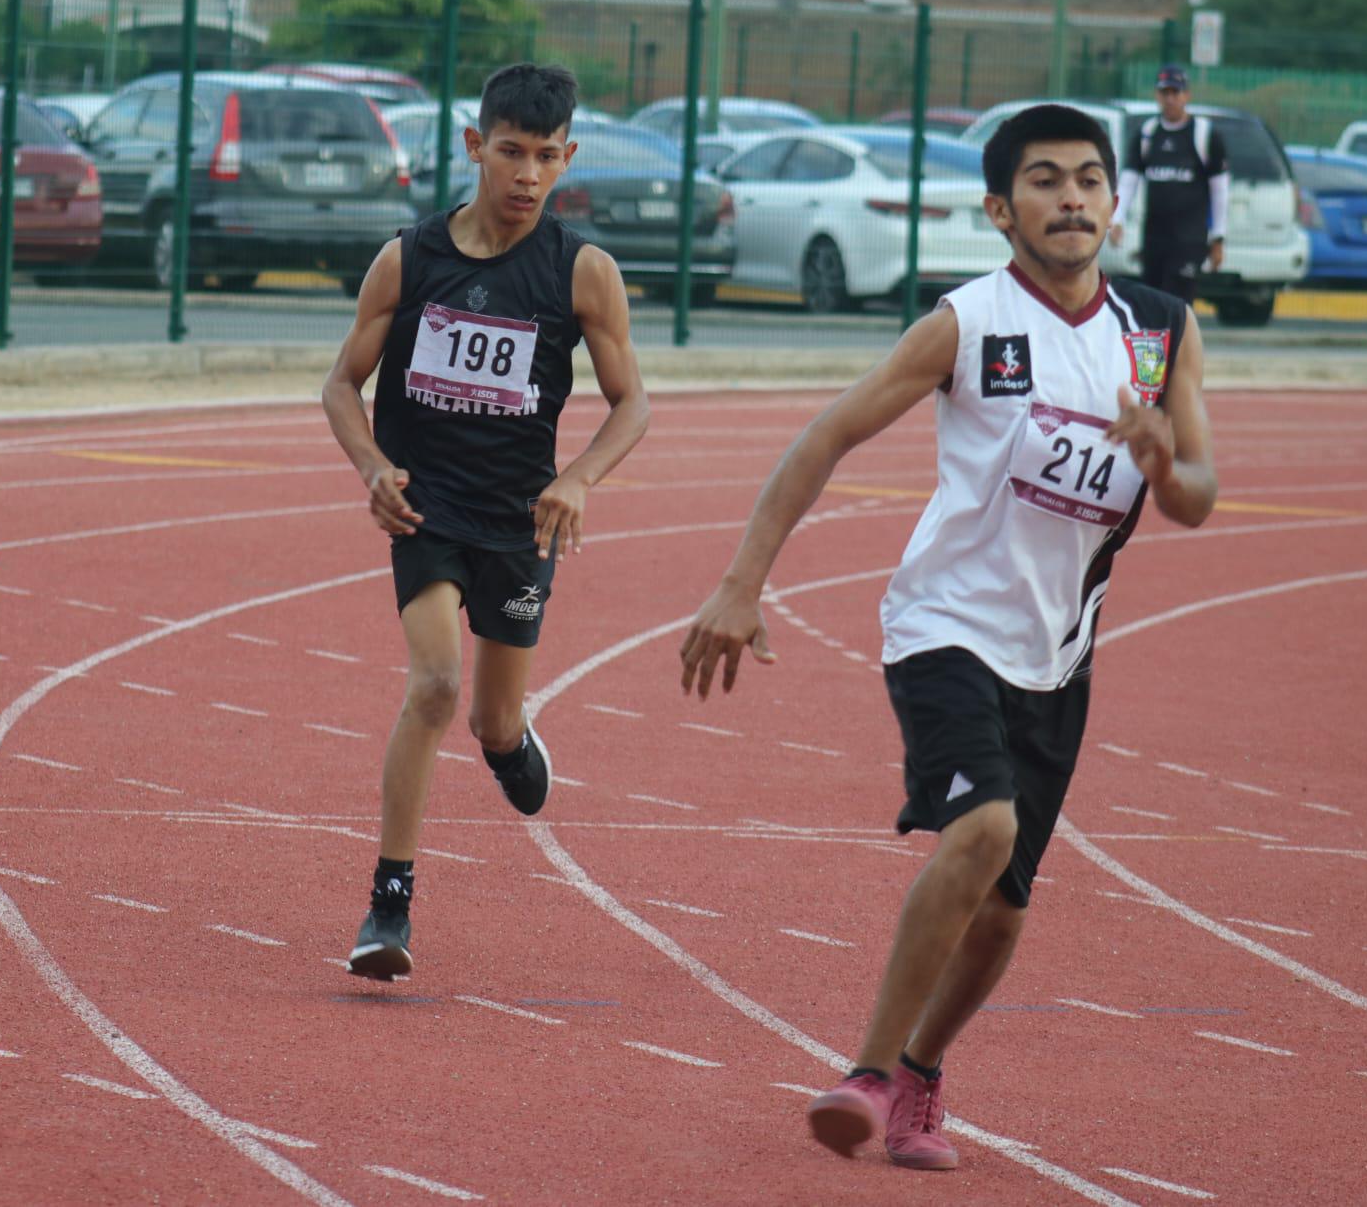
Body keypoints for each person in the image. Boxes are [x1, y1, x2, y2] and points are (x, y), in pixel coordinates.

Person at [678, 104, 1217, 1171]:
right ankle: (871, 1072)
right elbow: (824, 435)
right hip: (943, 627)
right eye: (1045, 180)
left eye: (1089, 181)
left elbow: (1199, 494)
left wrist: (1161, 462)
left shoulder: (1159, 329)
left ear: (1115, 201)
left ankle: (921, 1070)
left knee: (1003, 919)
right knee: (979, 834)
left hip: (1057, 655)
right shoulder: (966, 323)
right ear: (997, 207)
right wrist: (742, 585)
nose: (1071, 198)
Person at [322, 63, 650, 981]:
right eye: (511, 152)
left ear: (568, 156)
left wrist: (580, 477)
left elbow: (632, 405)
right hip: (426, 506)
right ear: (475, 147)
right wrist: (373, 466)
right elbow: (342, 383)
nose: (527, 175)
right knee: (432, 683)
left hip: (521, 519)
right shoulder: (410, 257)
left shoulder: (583, 272)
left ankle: (507, 740)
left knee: (490, 716)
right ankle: (390, 902)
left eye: (547, 157)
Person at [1109, 63, 1230, 305]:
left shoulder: (1203, 134)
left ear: (1186, 95)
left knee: (1178, 305)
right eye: (1165, 93)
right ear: (1157, 95)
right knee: (1152, 305)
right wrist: (1117, 218)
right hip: (1154, 239)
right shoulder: (1148, 133)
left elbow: (1220, 190)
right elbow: (1129, 181)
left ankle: (1180, 345)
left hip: (1189, 240)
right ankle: (1159, 345)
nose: (1170, 99)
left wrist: (1218, 238)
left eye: (1176, 92)